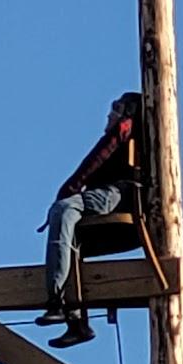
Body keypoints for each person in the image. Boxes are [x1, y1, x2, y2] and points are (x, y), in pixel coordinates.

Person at [36, 92, 144, 349]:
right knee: (69, 231)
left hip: (116, 194)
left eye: (114, 109)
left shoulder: (125, 128)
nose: (108, 115)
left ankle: (56, 300)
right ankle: (76, 321)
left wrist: (69, 189)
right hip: (108, 195)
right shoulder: (127, 131)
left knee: (62, 210)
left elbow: (96, 158)